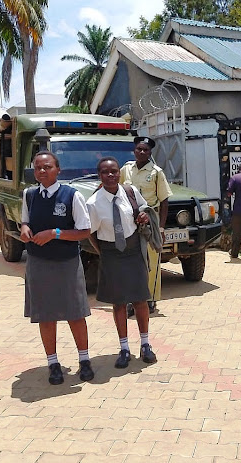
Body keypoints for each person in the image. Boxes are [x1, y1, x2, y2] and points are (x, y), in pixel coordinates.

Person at [20, 151, 94, 385]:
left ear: (58, 169)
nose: (42, 171)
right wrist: (23, 228)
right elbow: (25, 220)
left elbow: (84, 231)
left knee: (75, 313)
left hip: (67, 263)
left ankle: (84, 360)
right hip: (38, 262)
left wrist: (55, 233)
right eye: (38, 167)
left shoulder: (71, 196)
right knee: (45, 315)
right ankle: (53, 363)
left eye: (48, 167)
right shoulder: (29, 195)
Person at [87, 157, 157, 369]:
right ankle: (124, 348)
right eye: (106, 172)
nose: (111, 175)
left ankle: (145, 344)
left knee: (140, 299)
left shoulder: (130, 192)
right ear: (99, 175)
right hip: (111, 253)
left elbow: (143, 209)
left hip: (134, 250)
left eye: (114, 172)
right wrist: (104, 252)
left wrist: (144, 215)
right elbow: (90, 233)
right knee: (118, 303)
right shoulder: (94, 203)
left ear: (120, 173)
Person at [120, 136, 172, 315]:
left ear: (150, 153)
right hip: (128, 220)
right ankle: (130, 300)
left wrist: (161, 228)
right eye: (139, 149)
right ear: (134, 150)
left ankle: (150, 299)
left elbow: (164, 201)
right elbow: (116, 190)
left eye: (146, 150)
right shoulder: (126, 169)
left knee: (150, 261)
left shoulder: (157, 172)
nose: (142, 152)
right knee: (129, 261)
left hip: (149, 219)